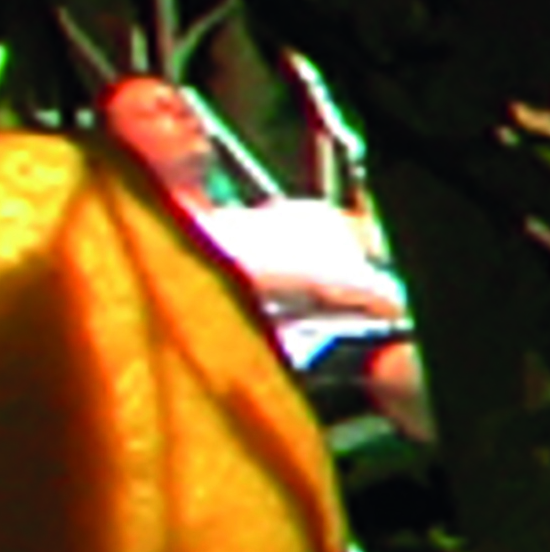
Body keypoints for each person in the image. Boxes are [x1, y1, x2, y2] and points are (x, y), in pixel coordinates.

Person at [91, 66, 425, 441]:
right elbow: (210, 286)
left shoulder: (299, 213)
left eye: (185, 106)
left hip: (412, 326)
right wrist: (334, 295)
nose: (185, 115)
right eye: (158, 112)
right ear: (118, 145)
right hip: (329, 357)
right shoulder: (160, 241)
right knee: (424, 372)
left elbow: (394, 238)